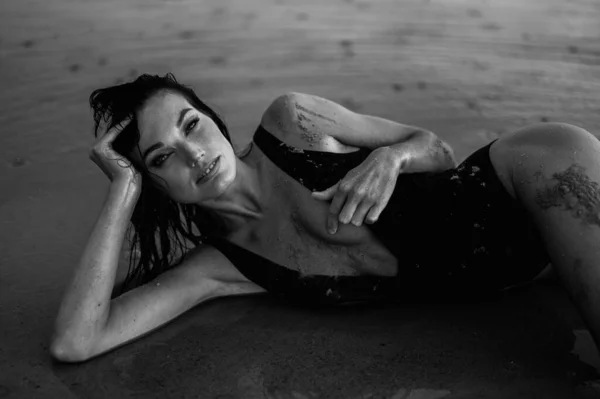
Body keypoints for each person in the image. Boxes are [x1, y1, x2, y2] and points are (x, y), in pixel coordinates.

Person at [51, 73, 600, 363]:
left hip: (537, 171)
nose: (193, 154)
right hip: (529, 265)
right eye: (161, 157)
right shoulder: (222, 268)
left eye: (190, 125)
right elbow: (77, 342)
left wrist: (391, 158)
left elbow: (437, 149)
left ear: (214, 121)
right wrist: (122, 190)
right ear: (156, 184)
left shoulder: (293, 123)